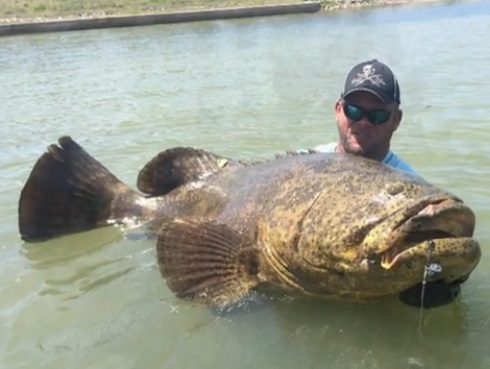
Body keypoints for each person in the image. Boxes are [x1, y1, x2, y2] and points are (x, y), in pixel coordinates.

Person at [313, 59, 416, 175]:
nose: (364, 122)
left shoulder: (413, 185)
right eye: (353, 111)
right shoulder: (303, 165)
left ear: (396, 120)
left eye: (377, 115)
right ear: (338, 110)